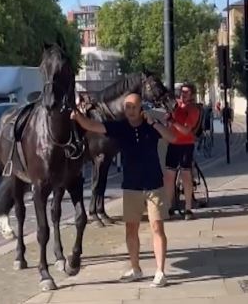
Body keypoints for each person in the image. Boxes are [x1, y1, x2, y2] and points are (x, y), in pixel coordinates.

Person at [71, 93, 176, 287]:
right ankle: (135, 268)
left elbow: (173, 137)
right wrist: (78, 116)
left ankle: (160, 272)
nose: (130, 111)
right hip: (131, 186)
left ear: (140, 108)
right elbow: (93, 126)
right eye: (127, 107)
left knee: (157, 228)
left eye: (133, 107)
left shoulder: (151, 127)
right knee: (131, 229)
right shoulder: (120, 127)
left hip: (154, 185)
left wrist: (154, 123)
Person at [164, 82, 201, 220]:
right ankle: (168, 207)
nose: (183, 94)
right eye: (182, 92)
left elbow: (186, 130)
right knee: (169, 176)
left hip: (186, 144)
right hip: (173, 143)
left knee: (186, 175)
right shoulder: (175, 106)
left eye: (186, 92)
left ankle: (188, 208)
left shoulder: (193, 109)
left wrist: (172, 121)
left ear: (192, 95)